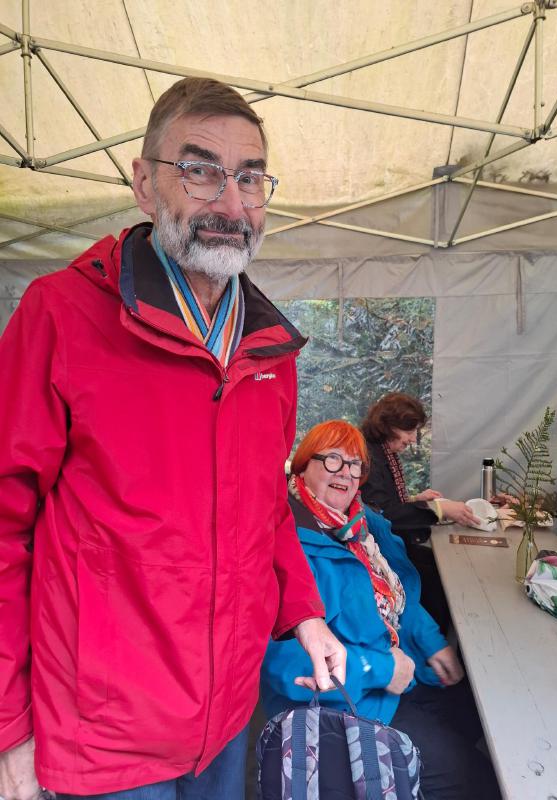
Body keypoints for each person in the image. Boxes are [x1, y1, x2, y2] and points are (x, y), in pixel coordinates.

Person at [0, 78, 346, 800]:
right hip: (104, 737)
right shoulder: (61, 315)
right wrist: (9, 726)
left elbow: (268, 509)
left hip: (226, 714)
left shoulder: (270, 350)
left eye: (249, 178)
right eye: (200, 171)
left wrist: (305, 613)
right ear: (144, 185)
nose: (231, 204)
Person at [261, 420, 501, 800]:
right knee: (472, 778)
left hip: (398, 668)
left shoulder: (361, 525)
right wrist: (383, 668)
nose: (346, 473)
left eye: (355, 464)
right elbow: (284, 666)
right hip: (344, 702)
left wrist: (431, 641)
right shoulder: (285, 542)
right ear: (303, 467)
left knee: (480, 714)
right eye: (333, 460)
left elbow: (397, 594)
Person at [360, 393, 476, 630]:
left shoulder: (381, 452)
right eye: (409, 430)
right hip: (377, 553)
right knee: (437, 578)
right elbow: (385, 515)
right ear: (387, 425)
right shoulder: (369, 457)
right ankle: (433, 639)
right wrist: (438, 509)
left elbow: (384, 503)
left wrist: (416, 500)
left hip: (388, 542)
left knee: (441, 568)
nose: (413, 439)